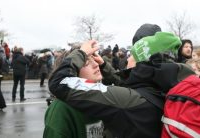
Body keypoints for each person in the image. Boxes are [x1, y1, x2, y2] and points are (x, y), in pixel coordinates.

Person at [48, 31, 195, 137]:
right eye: (88, 62)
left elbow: (60, 82)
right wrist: (105, 66)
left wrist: (81, 53)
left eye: (132, 55)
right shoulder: (174, 88)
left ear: (141, 62)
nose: (129, 58)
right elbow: (135, 88)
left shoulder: (128, 101)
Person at [43, 49, 102, 138]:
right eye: (86, 63)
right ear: (69, 71)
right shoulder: (61, 109)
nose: (96, 64)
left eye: (94, 60)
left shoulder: (101, 97)